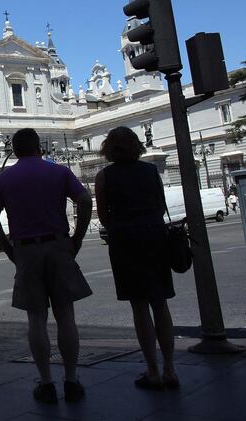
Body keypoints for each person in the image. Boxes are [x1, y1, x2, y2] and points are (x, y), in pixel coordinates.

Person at [0, 128, 93, 404]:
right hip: (58, 246)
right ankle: (71, 380)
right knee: (66, 316)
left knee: (36, 319)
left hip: (26, 250)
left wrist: (8, 248)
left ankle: (46, 383)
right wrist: (77, 238)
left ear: (15, 150)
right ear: (39, 148)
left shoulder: (3, 179)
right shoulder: (59, 172)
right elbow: (84, 199)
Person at [94, 127, 178, 391]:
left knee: (139, 306)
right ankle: (170, 369)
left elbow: (104, 217)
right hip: (154, 236)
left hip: (125, 241)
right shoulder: (151, 171)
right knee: (160, 303)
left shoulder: (104, 176)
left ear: (109, 148)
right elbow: (159, 204)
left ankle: (152, 370)